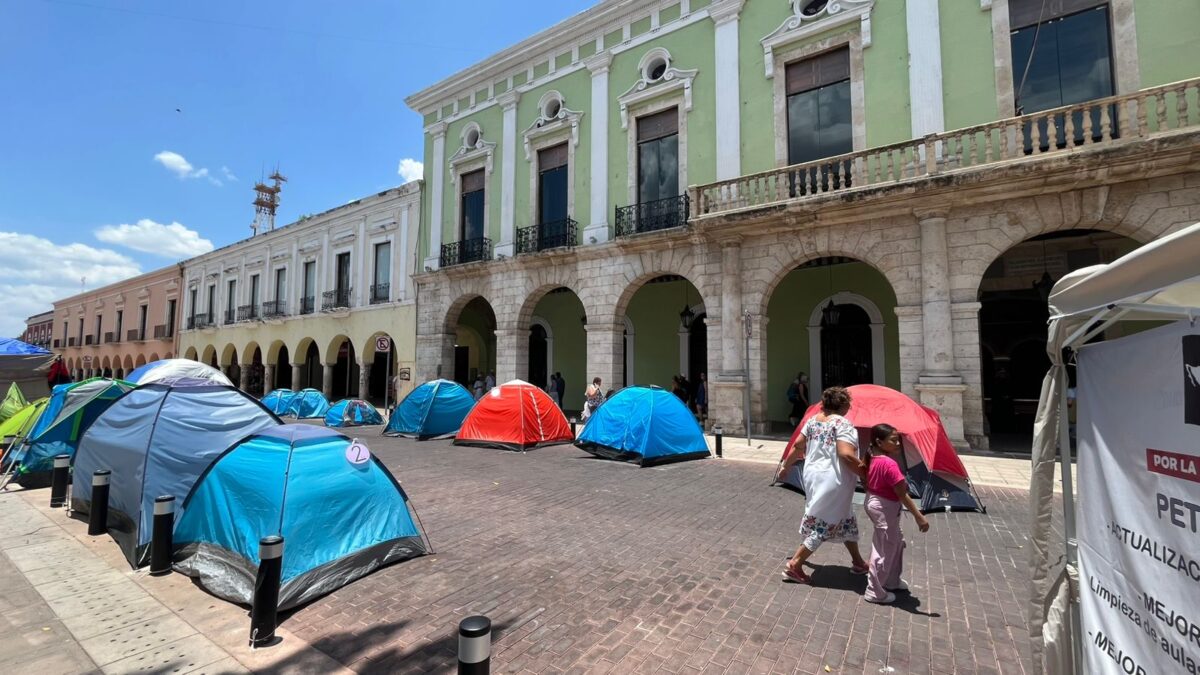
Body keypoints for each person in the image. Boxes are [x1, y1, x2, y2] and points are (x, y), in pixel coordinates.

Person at [775, 386, 868, 584]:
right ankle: (795, 565)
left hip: (813, 476)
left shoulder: (812, 421)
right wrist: (866, 474)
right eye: (848, 403)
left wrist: (785, 466)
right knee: (825, 522)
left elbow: (798, 446)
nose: (850, 407)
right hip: (834, 478)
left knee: (844, 516)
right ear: (842, 404)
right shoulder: (843, 424)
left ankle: (858, 561)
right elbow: (846, 454)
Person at [862, 423, 930, 604]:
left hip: (878, 504)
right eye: (893, 440)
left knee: (895, 542)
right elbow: (902, 494)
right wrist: (919, 517)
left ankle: (891, 580)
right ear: (879, 442)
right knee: (884, 548)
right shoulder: (889, 464)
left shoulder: (874, 458)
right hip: (884, 507)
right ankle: (874, 591)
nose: (898, 444)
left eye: (898, 440)